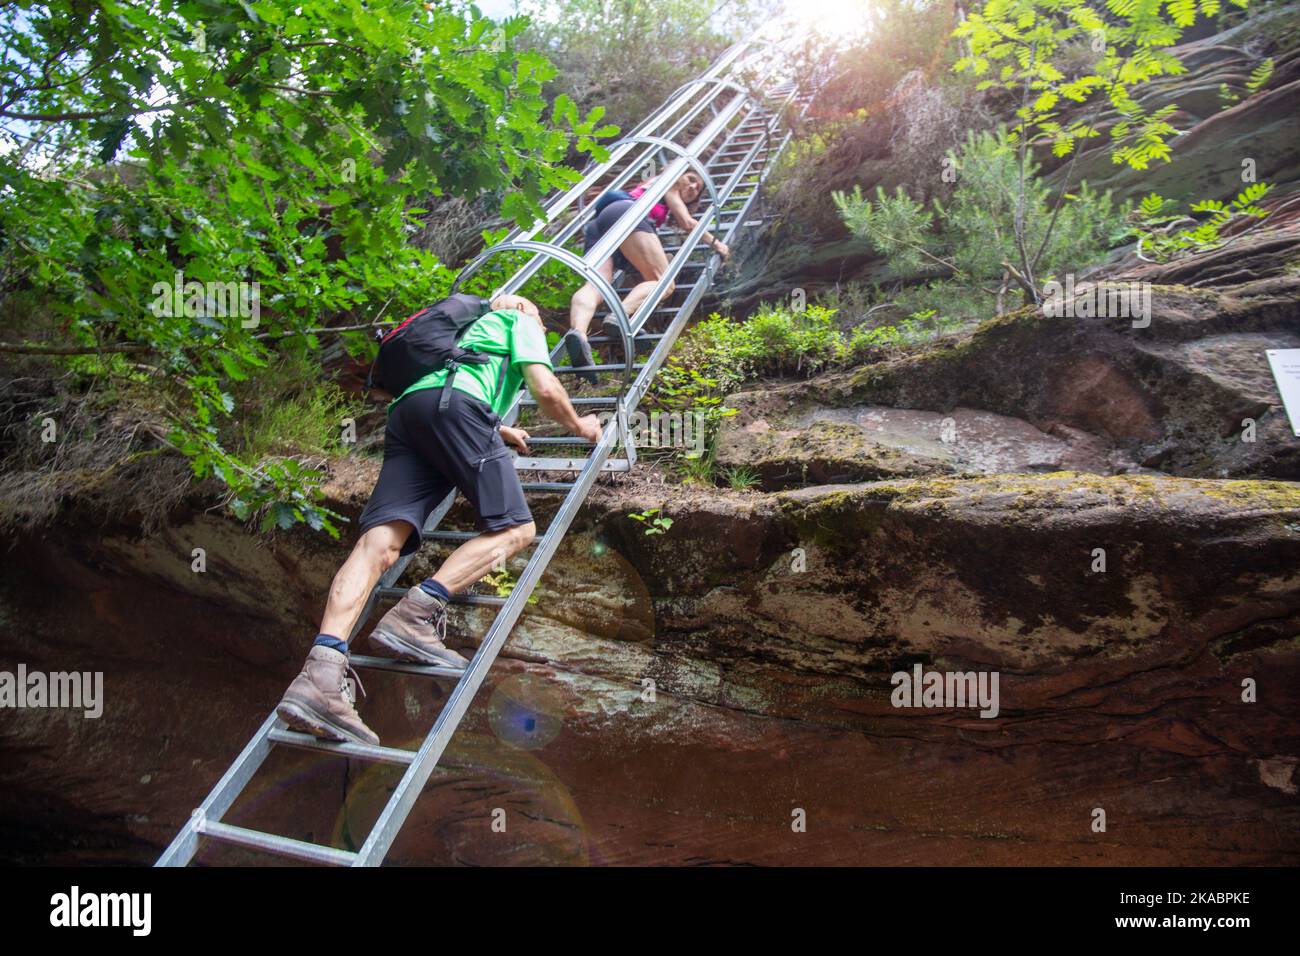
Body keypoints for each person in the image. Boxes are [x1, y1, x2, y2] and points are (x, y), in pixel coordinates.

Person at [275, 293, 603, 746]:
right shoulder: (518, 322)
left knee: (379, 545)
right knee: (517, 528)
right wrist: (581, 426)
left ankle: (321, 673)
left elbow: (448, 384)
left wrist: (500, 429)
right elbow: (544, 387)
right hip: (455, 407)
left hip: (409, 414)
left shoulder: (461, 332)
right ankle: (416, 613)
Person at [564, 171, 730, 381]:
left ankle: (578, 333)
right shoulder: (669, 180)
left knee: (596, 285)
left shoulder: (648, 189)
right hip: (628, 214)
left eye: (697, 190)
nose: (693, 187)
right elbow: (688, 223)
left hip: (600, 223)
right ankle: (621, 316)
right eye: (691, 179)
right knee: (664, 282)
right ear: (679, 173)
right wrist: (717, 244)